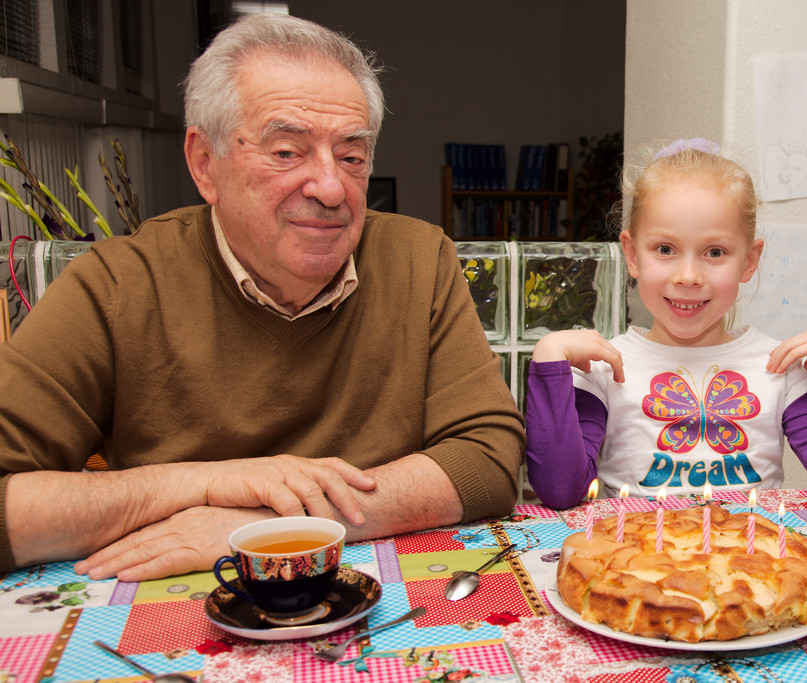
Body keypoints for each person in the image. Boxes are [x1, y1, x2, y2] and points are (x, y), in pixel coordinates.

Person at [0, 14, 524, 581]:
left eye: (351, 157)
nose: (330, 188)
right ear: (205, 163)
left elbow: (487, 459)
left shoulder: (419, 260)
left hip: (379, 601)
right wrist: (197, 481)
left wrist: (257, 526)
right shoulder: (116, 287)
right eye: (285, 152)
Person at [525, 138, 807, 508]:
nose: (689, 276)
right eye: (665, 249)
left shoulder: (779, 366)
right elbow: (560, 491)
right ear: (632, 255)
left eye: (715, 252)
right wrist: (548, 359)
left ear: (748, 261)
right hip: (636, 560)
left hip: (751, 559)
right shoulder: (604, 366)